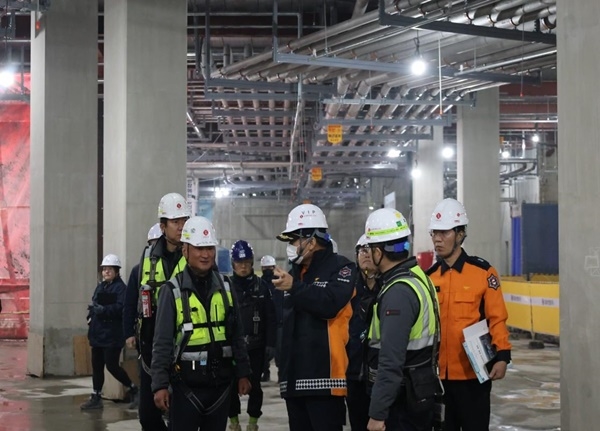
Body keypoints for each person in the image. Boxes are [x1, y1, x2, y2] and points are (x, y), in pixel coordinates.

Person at [151, 216, 252, 431]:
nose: (205, 255)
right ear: (185, 250)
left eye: (209, 248)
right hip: (185, 388)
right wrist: (159, 385)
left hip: (221, 388)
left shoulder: (226, 286)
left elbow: (237, 334)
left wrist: (244, 373)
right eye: (199, 248)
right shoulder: (172, 291)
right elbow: (162, 342)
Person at [426, 198, 511, 431]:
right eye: (434, 233)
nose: (437, 239)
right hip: (438, 378)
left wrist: (502, 356)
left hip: (474, 376)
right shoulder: (429, 277)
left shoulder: (483, 273)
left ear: (460, 234)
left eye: (444, 233)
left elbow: (497, 317)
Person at [272, 203, 356, 431]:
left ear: (311, 240)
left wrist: (295, 287)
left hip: (325, 381)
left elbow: (330, 304)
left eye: (294, 240)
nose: (290, 247)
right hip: (293, 382)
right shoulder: (294, 275)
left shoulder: (342, 268)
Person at [363, 208, 440, 431]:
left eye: (370, 249)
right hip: (418, 391)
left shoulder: (398, 292)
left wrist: (377, 414)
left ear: (379, 252)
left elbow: (391, 361)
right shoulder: (418, 276)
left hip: (402, 403)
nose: (368, 254)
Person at [122, 192, 190, 431]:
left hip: (186, 346)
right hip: (153, 348)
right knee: (148, 417)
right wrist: (130, 333)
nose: (181, 227)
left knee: (181, 416)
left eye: (184, 221)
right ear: (163, 226)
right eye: (175, 222)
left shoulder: (195, 256)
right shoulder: (147, 260)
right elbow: (132, 300)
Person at [227, 241, 276, 431]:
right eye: (239, 263)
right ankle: (234, 423)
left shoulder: (261, 287)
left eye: (247, 262)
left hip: (256, 347)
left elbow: (270, 317)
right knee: (230, 385)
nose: (243, 267)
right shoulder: (226, 287)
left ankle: (253, 423)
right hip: (232, 348)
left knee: (255, 385)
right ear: (233, 264)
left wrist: (271, 344)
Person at [81, 254, 137, 410]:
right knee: (97, 365)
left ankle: (133, 388)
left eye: (109, 269)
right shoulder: (101, 287)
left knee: (112, 365)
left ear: (116, 271)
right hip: (98, 334)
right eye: (104, 269)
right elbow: (95, 302)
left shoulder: (121, 288)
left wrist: (105, 310)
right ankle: (96, 396)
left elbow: (121, 308)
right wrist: (91, 315)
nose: (106, 272)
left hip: (112, 335)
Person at [122, 222, 163, 410]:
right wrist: (129, 334)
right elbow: (129, 303)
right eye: (153, 244)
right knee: (146, 372)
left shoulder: (178, 268)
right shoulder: (138, 271)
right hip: (146, 334)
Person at [346, 234, 379, 431]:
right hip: (354, 372)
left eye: (370, 250)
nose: (366, 255)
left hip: (380, 374)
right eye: (362, 250)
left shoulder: (389, 287)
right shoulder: (348, 289)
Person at [259, 255, 280, 383]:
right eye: (265, 268)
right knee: (264, 350)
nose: (267, 270)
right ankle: (265, 372)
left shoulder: (279, 282)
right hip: (265, 320)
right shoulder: (260, 283)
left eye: (269, 267)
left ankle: (280, 372)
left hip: (278, 320)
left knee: (279, 350)